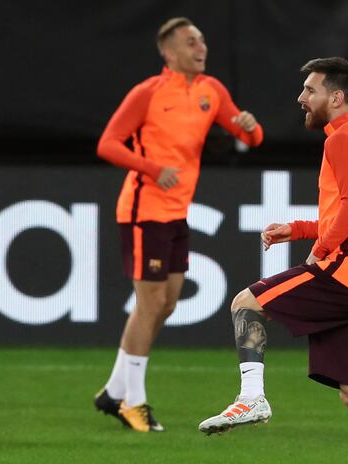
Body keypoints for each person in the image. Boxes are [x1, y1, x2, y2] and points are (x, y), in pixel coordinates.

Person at [198, 57, 348, 464]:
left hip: (347, 274)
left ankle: (252, 398)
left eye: (309, 90)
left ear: (336, 97)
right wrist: (300, 229)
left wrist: (319, 249)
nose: (301, 98)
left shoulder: (344, 137)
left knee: (246, 303)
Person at [93, 17, 263, 432]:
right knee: (149, 304)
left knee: (166, 303)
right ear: (169, 53)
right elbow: (108, 143)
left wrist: (249, 127)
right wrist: (152, 168)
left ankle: (114, 391)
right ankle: (133, 401)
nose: (200, 47)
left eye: (202, 40)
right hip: (143, 209)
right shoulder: (148, 93)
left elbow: (252, 136)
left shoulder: (211, 90)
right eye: (190, 42)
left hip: (176, 211)